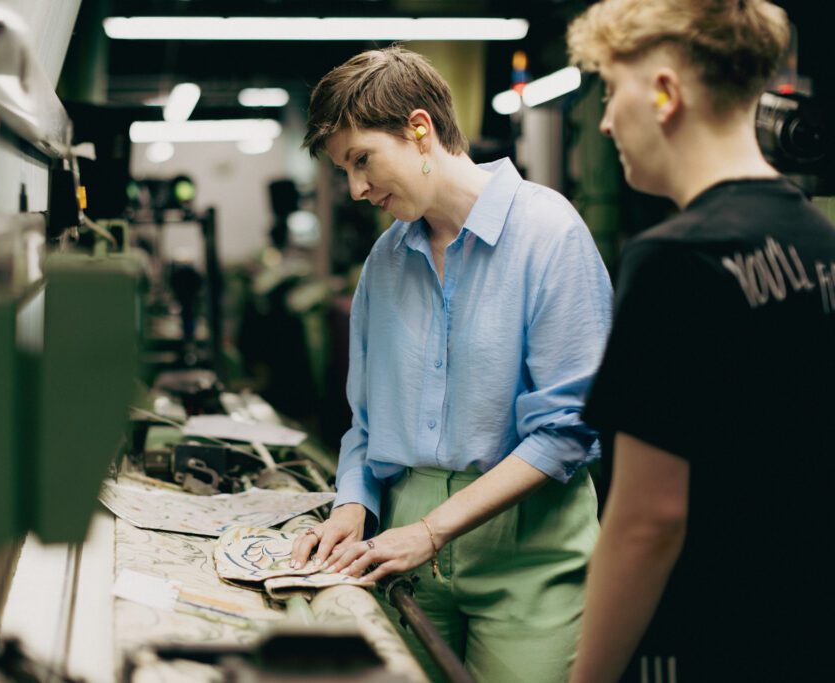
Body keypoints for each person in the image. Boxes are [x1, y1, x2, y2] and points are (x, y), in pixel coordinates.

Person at [289, 46, 613, 682]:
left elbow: (569, 429)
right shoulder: (385, 261)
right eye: (344, 171)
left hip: (527, 556)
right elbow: (365, 419)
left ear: (419, 129)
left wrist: (435, 530)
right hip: (402, 551)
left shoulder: (549, 233)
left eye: (362, 160)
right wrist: (353, 504)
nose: (356, 189)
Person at [566, 1, 835, 681]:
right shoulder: (823, 243)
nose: (603, 121)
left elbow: (647, 520)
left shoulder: (674, 260)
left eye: (609, 89)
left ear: (664, 92)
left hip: (706, 644)